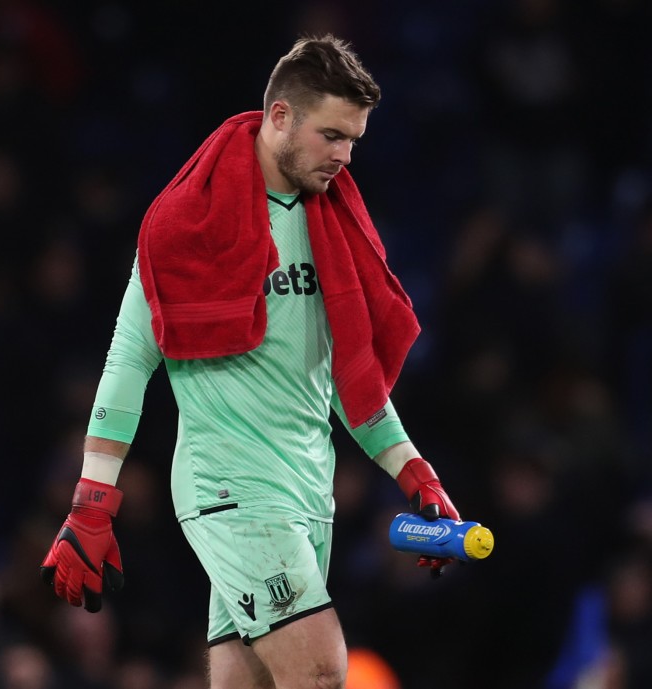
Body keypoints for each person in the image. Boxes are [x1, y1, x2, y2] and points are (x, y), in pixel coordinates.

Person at [40, 34, 461, 689]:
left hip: (306, 496)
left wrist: (415, 473)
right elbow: (128, 360)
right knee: (321, 668)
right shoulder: (185, 224)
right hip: (228, 489)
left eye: (354, 139)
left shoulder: (335, 223)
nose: (345, 157)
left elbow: (352, 381)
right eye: (332, 135)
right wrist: (92, 502)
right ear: (282, 117)